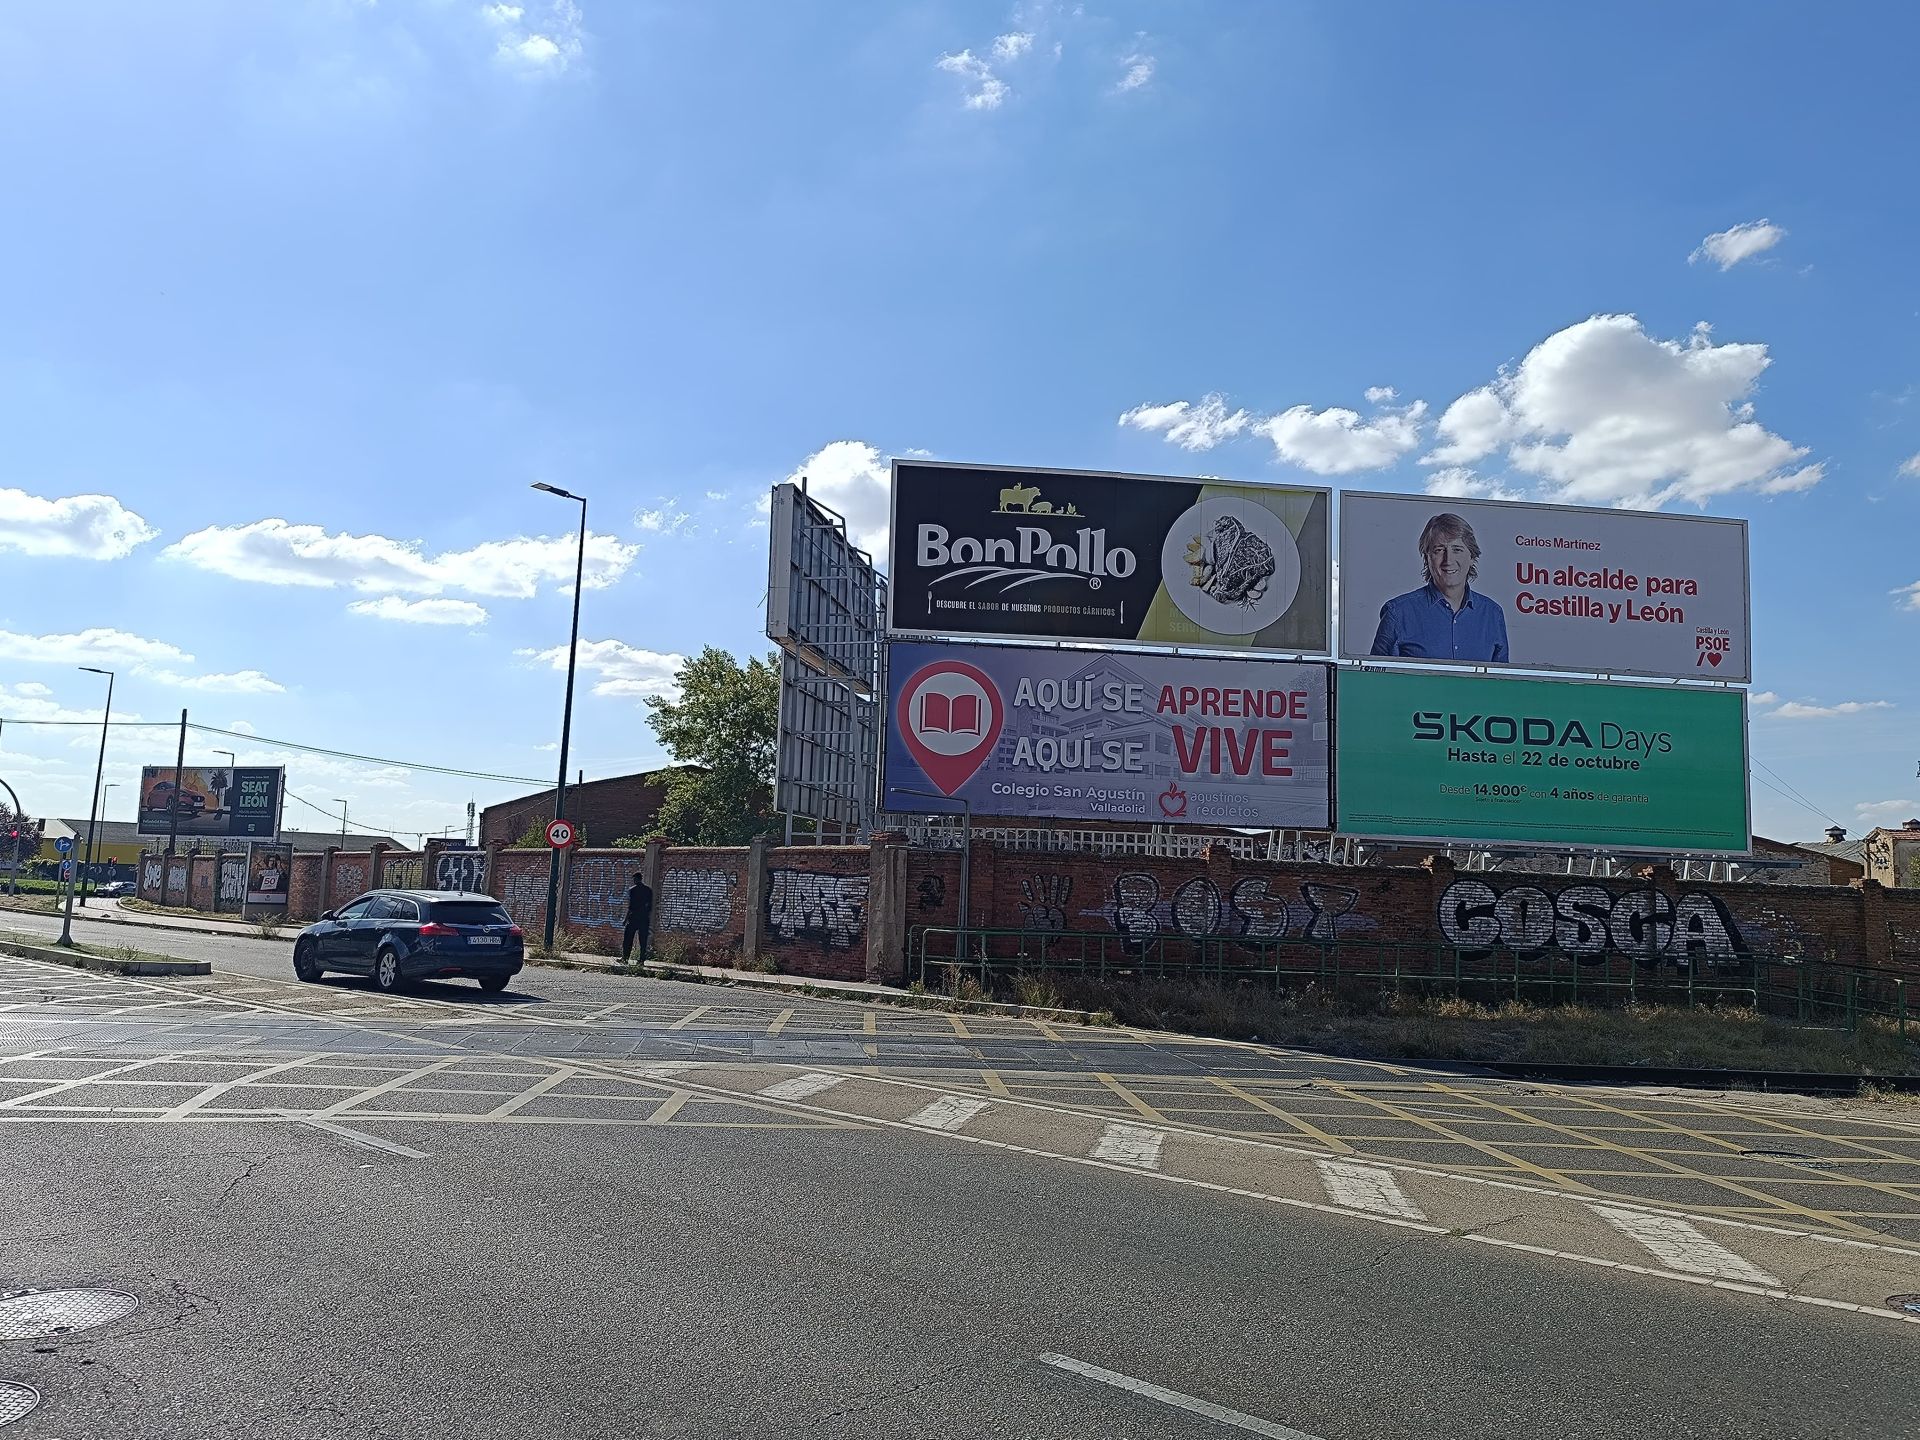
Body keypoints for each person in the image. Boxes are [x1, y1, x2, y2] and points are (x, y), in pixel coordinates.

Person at [1369, 511, 1509, 662]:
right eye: (1439, 550)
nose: (1448, 560)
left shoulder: (1493, 614)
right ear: (1427, 558)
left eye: (1457, 550)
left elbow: (1501, 682)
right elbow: (1376, 680)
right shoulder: (1397, 613)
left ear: (1472, 557)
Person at [622, 873, 653, 965]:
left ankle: (625, 958)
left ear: (635, 879)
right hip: (644, 918)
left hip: (634, 918)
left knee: (628, 939)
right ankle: (641, 960)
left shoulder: (632, 890)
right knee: (643, 941)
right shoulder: (648, 890)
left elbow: (631, 907)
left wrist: (625, 919)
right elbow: (649, 907)